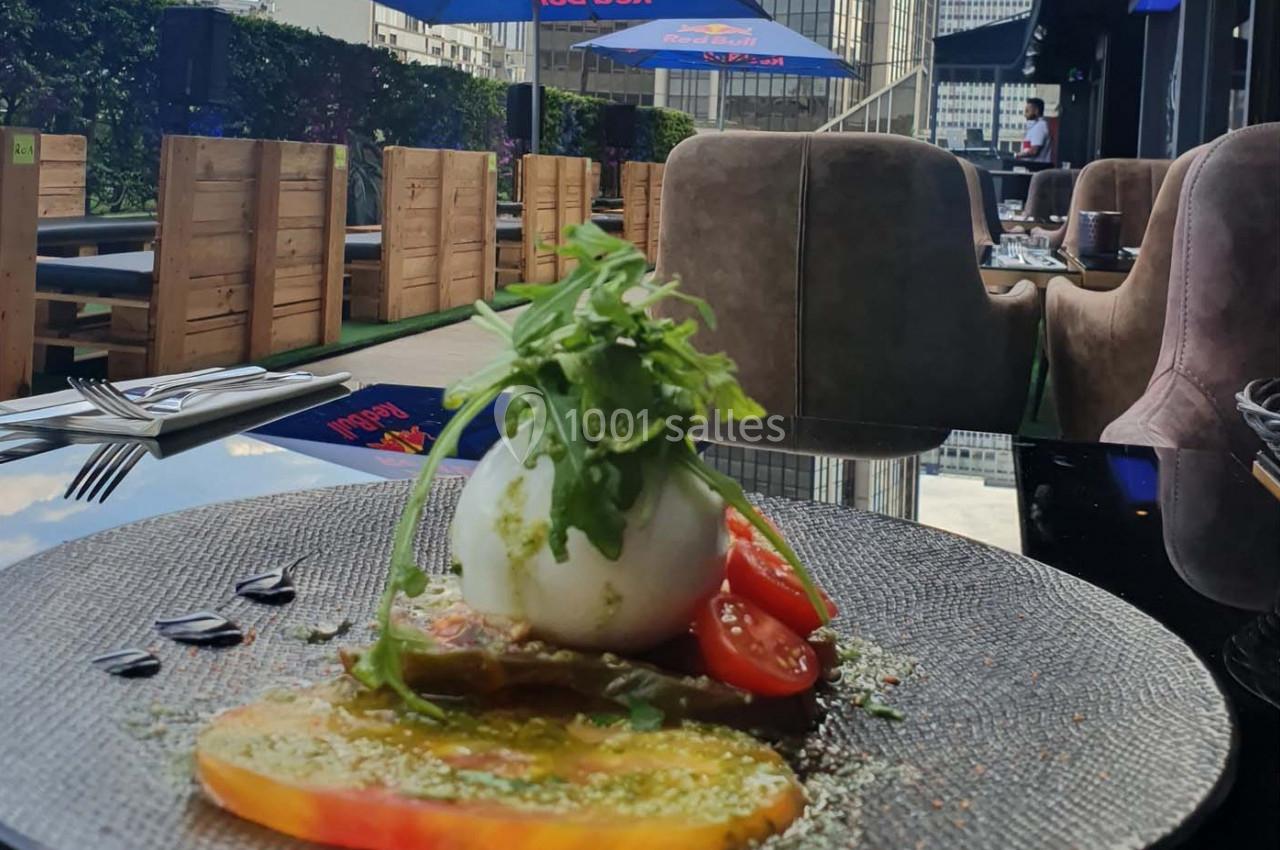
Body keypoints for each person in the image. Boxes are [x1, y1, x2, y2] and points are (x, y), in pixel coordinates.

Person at [1016, 97, 1053, 164]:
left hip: (1037, 168)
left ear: (1036, 111)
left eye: (1027, 111)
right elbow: (1027, 149)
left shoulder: (1040, 126)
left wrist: (1015, 155)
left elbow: (1034, 151)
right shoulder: (1034, 127)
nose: (1025, 114)